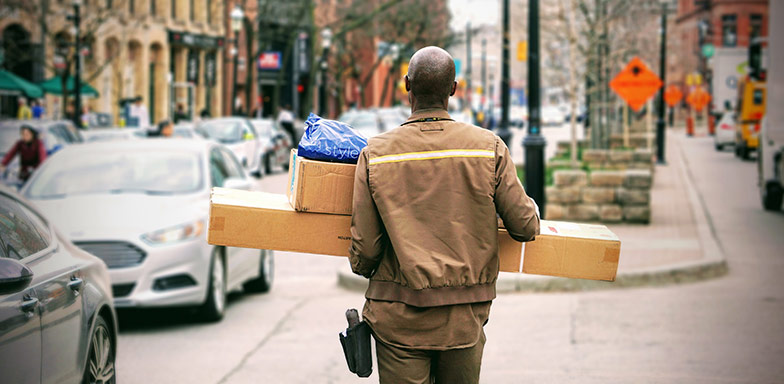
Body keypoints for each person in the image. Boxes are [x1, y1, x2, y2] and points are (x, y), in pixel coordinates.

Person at [349, 46, 540, 384]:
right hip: (462, 318)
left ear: (407, 85)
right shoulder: (488, 147)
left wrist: (365, 269)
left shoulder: (375, 154)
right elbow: (524, 227)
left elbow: (365, 250)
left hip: (398, 317)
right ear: (454, 88)